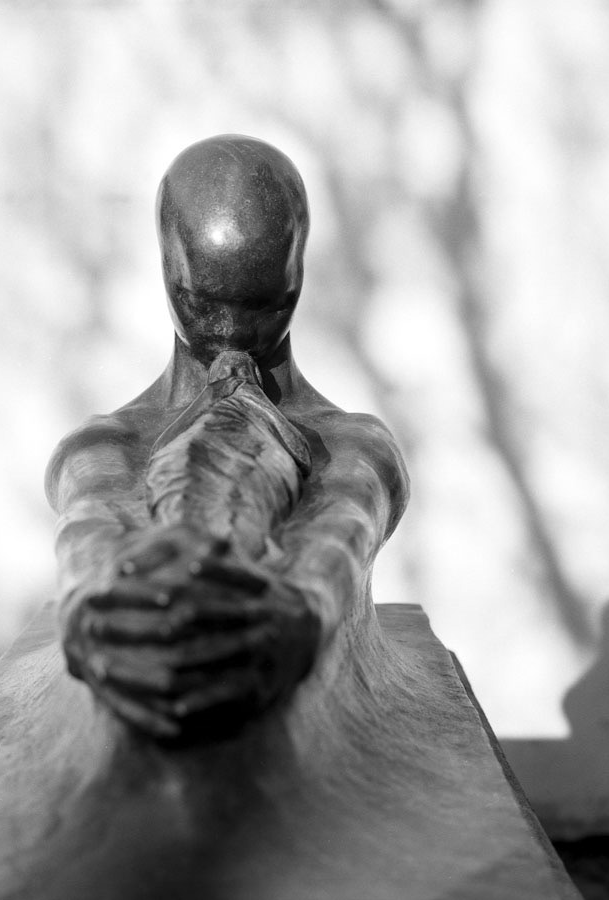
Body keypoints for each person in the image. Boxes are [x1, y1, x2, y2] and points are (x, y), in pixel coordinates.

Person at [45, 135, 409, 742]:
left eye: (266, 304)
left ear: (298, 273)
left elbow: (345, 525)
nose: (233, 331)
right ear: (167, 267)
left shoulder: (356, 446)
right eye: (202, 302)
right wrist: (95, 604)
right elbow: (90, 522)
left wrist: (303, 607)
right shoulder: (101, 447)